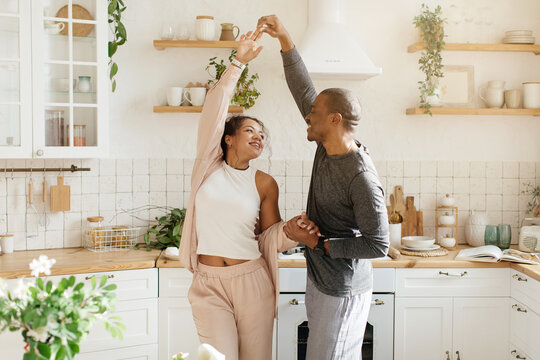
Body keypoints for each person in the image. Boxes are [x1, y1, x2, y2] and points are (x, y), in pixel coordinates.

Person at [257, 15, 390, 359]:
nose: (307, 115)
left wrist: (321, 243)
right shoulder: (325, 144)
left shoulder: (360, 177)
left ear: (334, 119)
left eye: (314, 112)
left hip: (342, 288)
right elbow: (303, 89)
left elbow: (378, 245)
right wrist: (284, 36)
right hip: (320, 280)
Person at [178, 29, 297, 360]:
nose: (259, 137)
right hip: (209, 283)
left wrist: (292, 232)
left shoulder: (264, 183)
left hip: (252, 282)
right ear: (227, 138)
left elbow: (269, 237)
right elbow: (215, 110)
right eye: (250, 130)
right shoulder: (208, 166)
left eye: (262, 135)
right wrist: (238, 63)